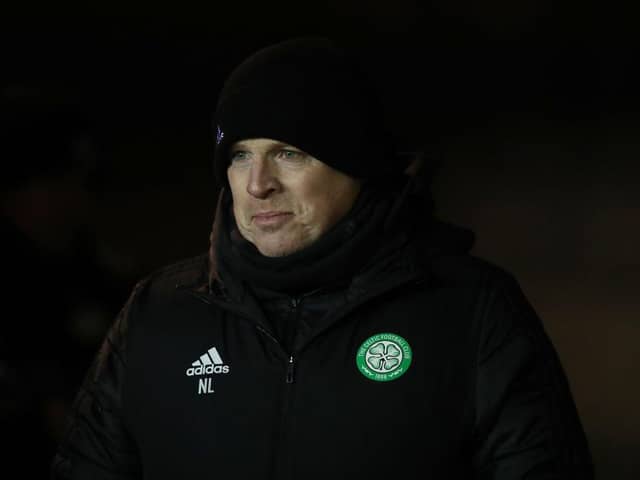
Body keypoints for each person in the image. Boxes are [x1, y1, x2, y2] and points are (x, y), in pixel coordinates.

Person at [51, 37, 594, 479]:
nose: (258, 184)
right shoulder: (158, 314)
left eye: (290, 153)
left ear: (356, 164)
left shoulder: (471, 311)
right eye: (241, 156)